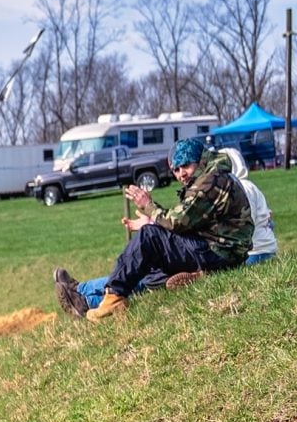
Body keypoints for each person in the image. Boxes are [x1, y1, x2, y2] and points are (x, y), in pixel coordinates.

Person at [55, 135, 255, 320]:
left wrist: (148, 206)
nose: (181, 174)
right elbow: (187, 220)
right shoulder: (214, 177)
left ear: (200, 160)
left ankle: (111, 298)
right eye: (176, 170)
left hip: (219, 253)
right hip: (220, 252)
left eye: (185, 166)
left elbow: (176, 221)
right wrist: (154, 219)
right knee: (149, 268)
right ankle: (86, 301)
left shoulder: (212, 181)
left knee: (149, 237)